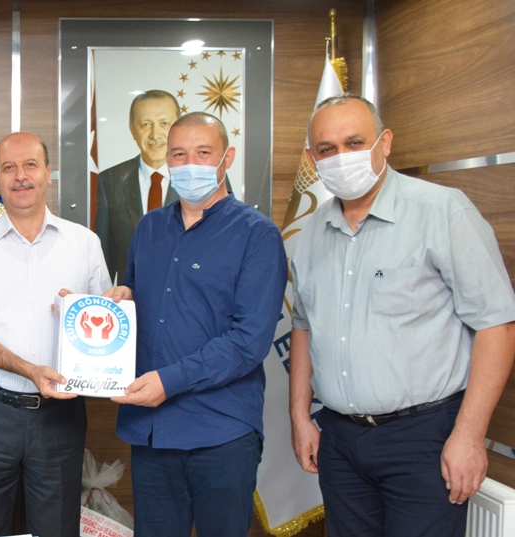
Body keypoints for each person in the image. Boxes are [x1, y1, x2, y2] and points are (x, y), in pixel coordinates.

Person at [289, 93, 515, 536]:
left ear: (385, 142)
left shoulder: (443, 211)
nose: (342, 157)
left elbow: (497, 325)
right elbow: (303, 327)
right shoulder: (312, 231)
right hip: (340, 439)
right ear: (312, 159)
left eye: (355, 143)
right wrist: (299, 415)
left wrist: (470, 435)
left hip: (423, 438)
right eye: (327, 149)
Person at [104, 112, 287, 536]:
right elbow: (136, 295)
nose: (190, 165)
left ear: (227, 157)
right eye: (179, 154)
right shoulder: (149, 227)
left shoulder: (258, 235)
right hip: (151, 431)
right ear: (166, 160)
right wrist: (118, 301)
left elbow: (249, 340)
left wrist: (169, 381)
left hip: (221, 431)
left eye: (203, 153)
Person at [0, 132, 110, 537]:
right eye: (8, 167)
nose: (20, 176)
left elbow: (104, 326)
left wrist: (105, 308)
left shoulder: (84, 243)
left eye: (30, 165)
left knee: (57, 527)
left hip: (60, 416)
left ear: (48, 173)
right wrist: (31, 370)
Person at [95, 90, 181, 284]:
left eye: (164, 124)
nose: (155, 135)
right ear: (132, 130)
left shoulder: (200, 177)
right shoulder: (109, 181)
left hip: (188, 298)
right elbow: (103, 258)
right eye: (146, 124)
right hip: (129, 298)